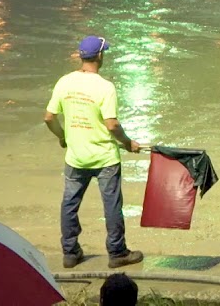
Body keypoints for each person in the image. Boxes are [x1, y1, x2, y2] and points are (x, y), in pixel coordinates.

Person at [44, 36, 144, 269]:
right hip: (105, 157)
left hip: (75, 157)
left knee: (69, 203)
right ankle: (117, 252)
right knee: (111, 206)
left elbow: (49, 117)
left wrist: (63, 137)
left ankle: (70, 252)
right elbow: (112, 125)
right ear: (99, 56)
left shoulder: (64, 82)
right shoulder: (105, 87)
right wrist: (128, 143)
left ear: (81, 56)